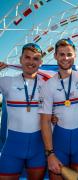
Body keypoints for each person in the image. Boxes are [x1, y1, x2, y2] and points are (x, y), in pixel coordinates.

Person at [39, 38, 78, 179]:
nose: (65, 58)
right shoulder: (48, 86)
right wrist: (50, 153)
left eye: (69, 54)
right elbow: (44, 121)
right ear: (55, 56)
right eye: (61, 54)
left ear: (75, 56)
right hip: (59, 141)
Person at [0, 43, 46, 180]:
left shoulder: (48, 85)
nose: (31, 62)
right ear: (20, 60)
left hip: (38, 149)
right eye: (27, 57)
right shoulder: (7, 82)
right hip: (12, 148)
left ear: (41, 62)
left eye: (36, 58)